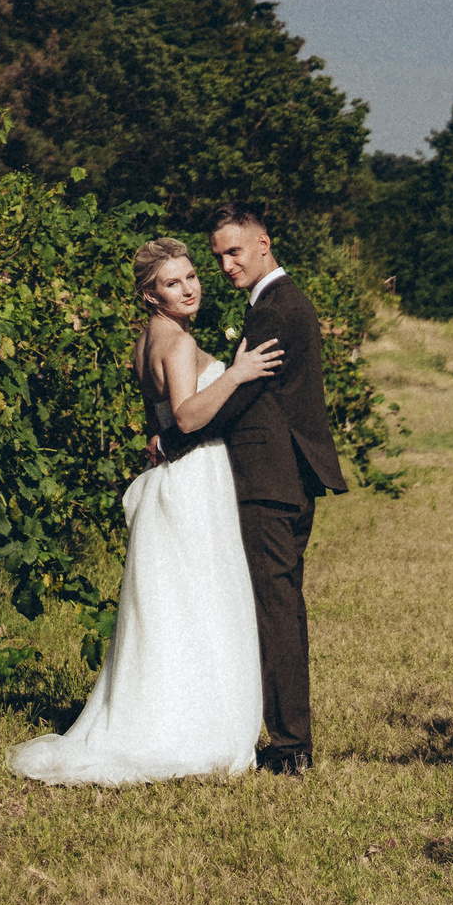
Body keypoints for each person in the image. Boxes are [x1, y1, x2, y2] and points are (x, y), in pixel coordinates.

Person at [7, 238, 282, 785]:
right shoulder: (177, 342)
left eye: (191, 276)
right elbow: (184, 418)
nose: (190, 288)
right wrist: (237, 372)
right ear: (149, 295)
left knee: (170, 607)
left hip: (170, 479)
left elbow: (157, 421)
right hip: (194, 479)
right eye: (173, 283)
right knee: (200, 603)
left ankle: (162, 711)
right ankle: (191, 726)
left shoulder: (145, 342)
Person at [170, 204, 349, 777]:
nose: (224, 264)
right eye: (218, 255)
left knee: (275, 609)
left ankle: (292, 746)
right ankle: (287, 734)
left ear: (264, 243)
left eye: (234, 251)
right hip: (284, 477)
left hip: (270, 481)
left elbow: (241, 397)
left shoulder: (276, 308)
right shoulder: (278, 302)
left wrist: (176, 438)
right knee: (279, 605)